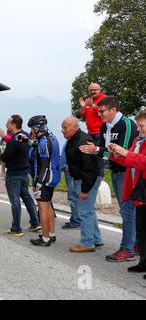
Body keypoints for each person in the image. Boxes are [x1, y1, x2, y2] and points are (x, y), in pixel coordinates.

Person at [80, 96, 139, 262]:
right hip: (115, 170)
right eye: (98, 111)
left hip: (127, 172)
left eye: (102, 111)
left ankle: (127, 249)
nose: (99, 114)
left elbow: (123, 153)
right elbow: (107, 151)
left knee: (128, 211)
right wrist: (101, 153)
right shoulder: (105, 126)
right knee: (128, 210)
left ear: (113, 109)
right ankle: (135, 244)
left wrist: (97, 150)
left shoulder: (126, 124)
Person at [107, 109, 146, 277]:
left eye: (141, 125)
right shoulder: (138, 140)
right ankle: (143, 262)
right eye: (138, 125)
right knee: (142, 229)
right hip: (139, 189)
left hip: (142, 187)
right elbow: (129, 160)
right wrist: (115, 154)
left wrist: (126, 153)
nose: (138, 129)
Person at [62, 117, 103, 252]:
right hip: (81, 179)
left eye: (65, 128)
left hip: (87, 180)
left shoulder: (83, 140)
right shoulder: (73, 140)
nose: (63, 131)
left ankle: (87, 243)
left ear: (74, 127)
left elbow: (89, 167)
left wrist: (85, 190)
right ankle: (96, 238)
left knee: (84, 211)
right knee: (88, 210)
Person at [0, 115, 41, 236]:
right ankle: (35, 222)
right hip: (24, 172)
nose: (6, 125)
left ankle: (16, 228)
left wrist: (0, 153)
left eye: (8, 123)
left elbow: (5, 157)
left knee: (15, 200)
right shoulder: (25, 135)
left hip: (13, 173)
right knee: (27, 197)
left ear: (13, 124)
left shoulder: (13, 141)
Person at [27, 115, 61, 247]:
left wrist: (38, 184)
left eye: (31, 129)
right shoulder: (51, 137)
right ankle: (51, 234)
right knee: (49, 206)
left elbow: (44, 164)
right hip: (53, 178)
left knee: (43, 208)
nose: (31, 132)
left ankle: (45, 238)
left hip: (44, 178)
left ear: (36, 128)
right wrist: (28, 142)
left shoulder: (43, 142)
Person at [60, 141, 80, 229]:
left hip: (70, 171)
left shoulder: (73, 142)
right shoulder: (72, 141)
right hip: (70, 170)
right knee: (74, 196)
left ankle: (76, 221)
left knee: (73, 197)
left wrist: (64, 167)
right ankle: (74, 219)